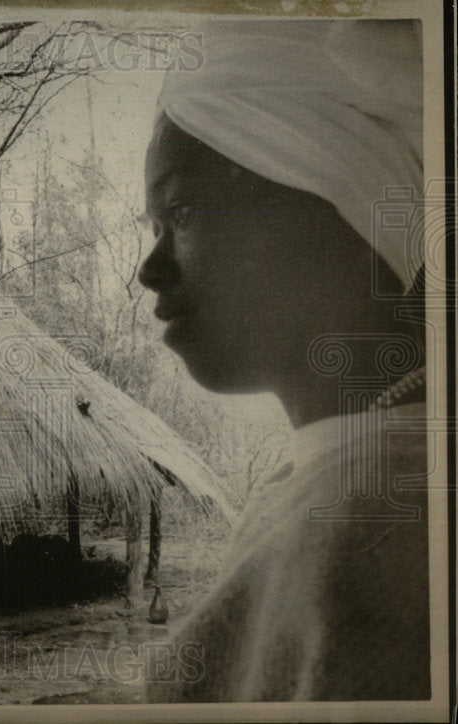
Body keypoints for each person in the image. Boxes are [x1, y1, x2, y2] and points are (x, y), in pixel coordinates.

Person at [139, 20, 429, 701]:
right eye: (153, 228)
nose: (149, 270)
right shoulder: (342, 475)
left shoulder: (369, 521)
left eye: (180, 212)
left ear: (343, 208)